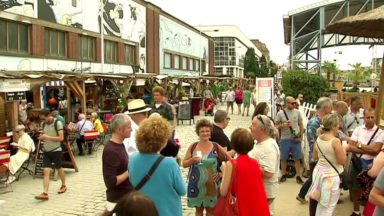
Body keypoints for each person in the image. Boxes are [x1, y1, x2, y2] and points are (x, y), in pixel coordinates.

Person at [129, 116, 186, 216]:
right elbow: (182, 190)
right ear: (163, 141)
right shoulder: (170, 163)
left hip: (142, 211)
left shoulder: (133, 158)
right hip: (167, 212)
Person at [183, 119, 230, 216]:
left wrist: (222, 174)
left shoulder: (216, 146)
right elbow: (184, 164)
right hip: (196, 186)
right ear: (198, 133)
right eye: (202, 131)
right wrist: (192, 160)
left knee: (211, 212)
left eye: (207, 131)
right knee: (198, 211)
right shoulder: (193, 146)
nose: (205, 133)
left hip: (212, 186)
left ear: (210, 132)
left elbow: (230, 161)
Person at [220, 128, 270, 216]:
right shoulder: (255, 163)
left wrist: (224, 172)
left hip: (240, 207)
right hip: (257, 206)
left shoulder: (231, 164)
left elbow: (223, 192)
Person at [346, 108, 384, 216]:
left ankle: (367, 212)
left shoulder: (380, 132)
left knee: (369, 190)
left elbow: (376, 150)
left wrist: (359, 145)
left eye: (372, 117)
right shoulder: (358, 129)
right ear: (364, 118)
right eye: (368, 117)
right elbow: (350, 146)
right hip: (356, 161)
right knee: (354, 187)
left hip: (371, 164)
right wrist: (368, 148)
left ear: (375, 117)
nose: (371, 119)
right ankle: (356, 211)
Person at [307, 113, 347, 216]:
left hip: (319, 174)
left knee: (321, 204)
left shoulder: (319, 138)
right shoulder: (335, 141)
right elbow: (342, 161)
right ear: (334, 125)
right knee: (328, 207)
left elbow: (315, 157)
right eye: (338, 124)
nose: (339, 126)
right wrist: (344, 149)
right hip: (330, 177)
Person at [297, 97, 333, 205]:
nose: (331, 110)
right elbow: (313, 143)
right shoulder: (314, 123)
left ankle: (303, 195)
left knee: (314, 179)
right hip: (318, 158)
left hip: (320, 158)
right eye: (331, 107)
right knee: (316, 180)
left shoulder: (323, 121)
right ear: (326, 108)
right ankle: (309, 198)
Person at [249, 115, 280, 215]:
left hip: (264, 192)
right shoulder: (260, 142)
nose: (250, 127)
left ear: (261, 129)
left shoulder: (269, 147)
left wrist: (247, 163)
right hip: (259, 190)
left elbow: (268, 173)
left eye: (253, 125)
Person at [102, 113, 133, 211]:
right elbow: (110, 182)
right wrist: (130, 171)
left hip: (125, 199)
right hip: (118, 202)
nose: (131, 129)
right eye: (129, 127)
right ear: (120, 129)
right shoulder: (111, 150)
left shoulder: (120, 145)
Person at [35, 109, 66, 200]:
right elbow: (45, 135)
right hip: (46, 151)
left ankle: (63, 185)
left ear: (49, 115)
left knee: (59, 168)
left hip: (56, 150)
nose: (43, 121)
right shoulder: (43, 124)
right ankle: (45, 193)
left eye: (44, 118)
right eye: (42, 119)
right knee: (46, 172)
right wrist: (41, 137)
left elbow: (61, 138)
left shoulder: (58, 123)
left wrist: (46, 137)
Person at [275, 96, 304, 184]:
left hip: (295, 138)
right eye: (291, 103)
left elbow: (301, 124)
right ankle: (283, 174)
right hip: (284, 138)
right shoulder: (280, 113)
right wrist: (283, 125)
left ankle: (298, 175)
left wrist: (301, 136)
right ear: (286, 103)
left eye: (294, 103)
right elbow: (276, 126)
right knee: (283, 158)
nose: (293, 104)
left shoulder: (297, 112)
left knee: (297, 158)